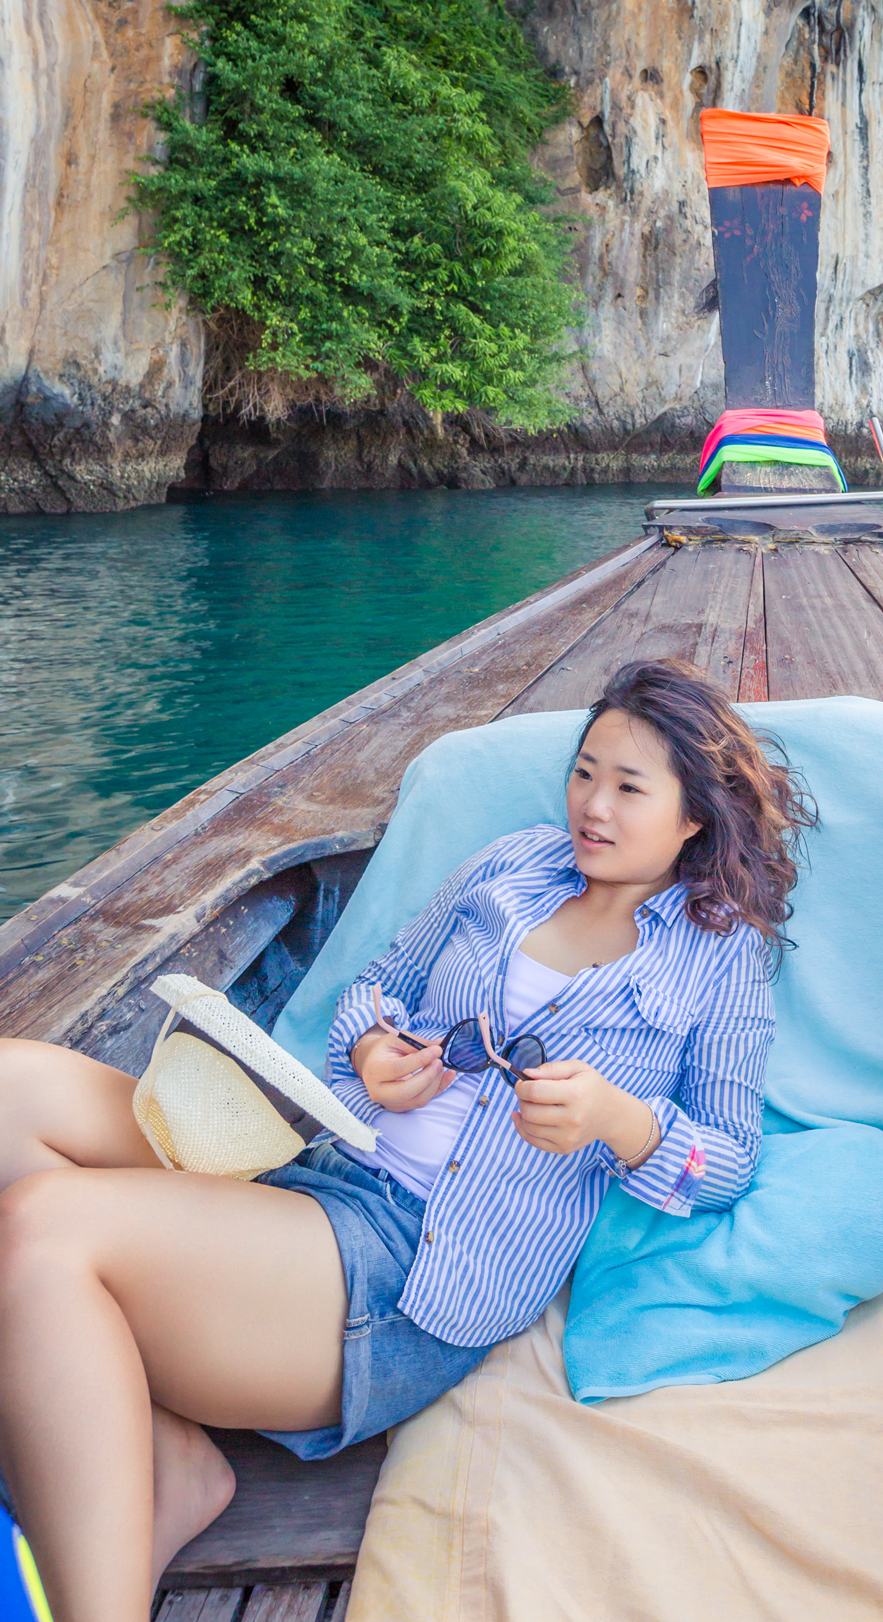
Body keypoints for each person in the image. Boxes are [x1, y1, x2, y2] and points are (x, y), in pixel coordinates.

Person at [0, 658, 812, 1622]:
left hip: (406, 1265)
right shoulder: (513, 866)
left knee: (43, 1232)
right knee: (11, 1086)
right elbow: (378, 986)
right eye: (584, 772)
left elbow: (728, 1162)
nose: (592, 806)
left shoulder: (722, 959)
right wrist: (374, 1050)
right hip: (316, 1158)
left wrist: (620, 1121)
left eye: (629, 788)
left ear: (694, 818)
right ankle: (168, 1464)